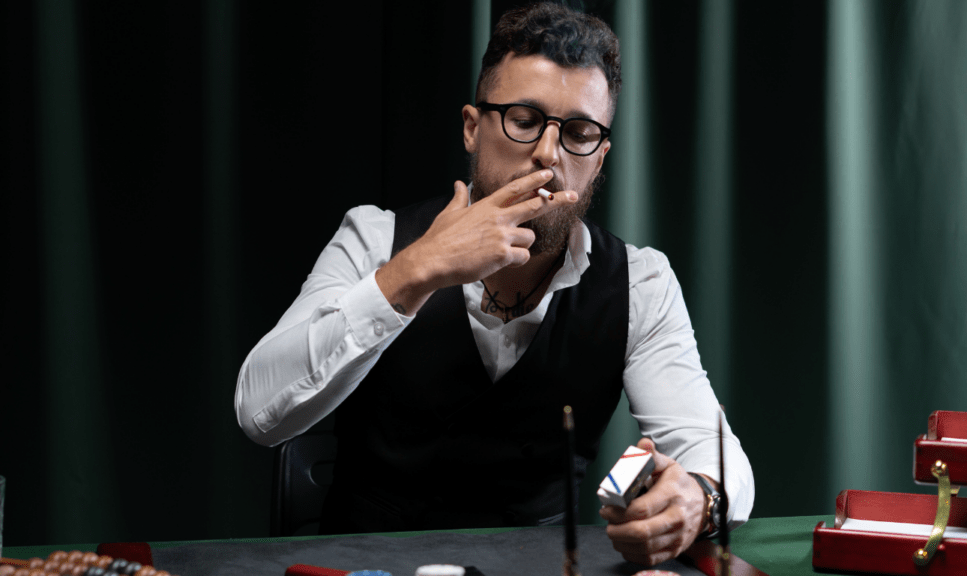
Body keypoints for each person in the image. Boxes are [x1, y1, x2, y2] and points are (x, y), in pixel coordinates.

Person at [235, 2, 753, 566]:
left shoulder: (641, 282)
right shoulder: (373, 238)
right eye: (524, 121)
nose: (548, 154)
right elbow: (259, 412)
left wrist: (698, 498)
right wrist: (415, 271)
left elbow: (714, 449)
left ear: (599, 158)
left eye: (578, 132)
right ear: (471, 128)